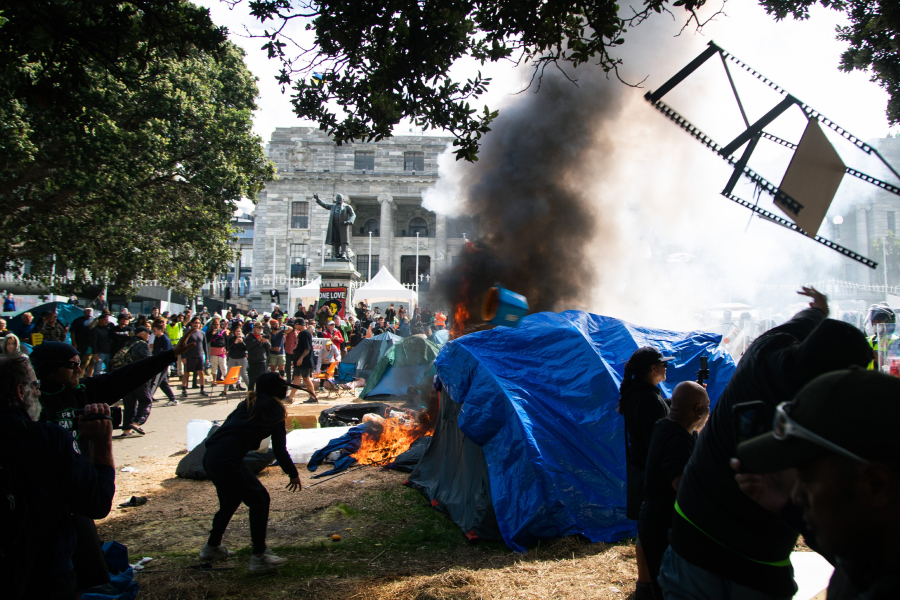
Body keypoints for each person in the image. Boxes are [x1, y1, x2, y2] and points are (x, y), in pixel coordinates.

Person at [659, 287, 873, 600]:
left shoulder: (765, 351)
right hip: (759, 554)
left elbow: (801, 326)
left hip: (694, 527)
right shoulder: (826, 417)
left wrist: (818, 310)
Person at [735, 368, 900, 600]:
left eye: (807, 479)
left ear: (876, 485)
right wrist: (789, 510)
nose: (797, 496)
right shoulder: (869, 554)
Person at [0, 354, 115, 598]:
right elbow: (97, 502)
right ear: (21, 392)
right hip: (45, 573)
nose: (39, 393)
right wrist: (102, 445)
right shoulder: (47, 438)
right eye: (35, 386)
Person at [199, 373, 301, 570]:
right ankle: (259, 556)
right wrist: (292, 473)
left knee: (230, 502)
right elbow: (279, 449)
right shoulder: (275, 411)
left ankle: (211, 547)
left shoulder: (248, 403)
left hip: (211, 455)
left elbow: (228, 425)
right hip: (227, 458)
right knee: (260, 499)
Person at [638, 382, 710, 598]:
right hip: (664, 530)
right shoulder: (677, 439)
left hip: (654, 523)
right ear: (698, 409)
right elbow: (682, 484)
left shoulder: (665, 425)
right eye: (707, 405)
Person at [619, 345, 675, 599]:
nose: (666, 367)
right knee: (657, 531)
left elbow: (657, 408)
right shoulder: (649, 399)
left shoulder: (637, 394)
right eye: (663, 364)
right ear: (653, 369)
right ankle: (655, 585)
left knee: (646, 528)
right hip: (654, 473)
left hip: (641, 469)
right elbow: (659, 437)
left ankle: (645, 584)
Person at [120, 327, 154, 437]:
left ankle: (126, 430)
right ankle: (136, 423)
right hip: (140, 377)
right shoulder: (143, 345)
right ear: (141, 333)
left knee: (129, 404)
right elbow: (149, 361)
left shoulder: (127, 343)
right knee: (145, 400)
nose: (149, 335)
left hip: (126, 377)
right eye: (147, 333)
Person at [288, 318, 317, 404]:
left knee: (306, 378)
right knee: (296, 377)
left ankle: (313, 396)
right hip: (299, 359)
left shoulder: (305, 334)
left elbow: (307, 348)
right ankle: (290, 397)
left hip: (304, 360)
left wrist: (301, 358)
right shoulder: (301, 334)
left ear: (300, 324)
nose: (295, 326)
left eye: (296, 324)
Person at [179, 317, 208, 397]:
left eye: (198, 323)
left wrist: (207, 357)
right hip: (189, 356)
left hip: (199, 355)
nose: (196, 324)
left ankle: (202, 389)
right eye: (195, 322)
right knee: (186, 373)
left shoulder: (202, 333)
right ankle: (184, 389)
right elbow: (183, 345)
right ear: (191, 323)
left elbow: (205, 346)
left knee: (201, 372)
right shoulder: (187, 333)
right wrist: (183, 357)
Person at [151, 321, 178, 405]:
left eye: (154, 330)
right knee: (162, 382)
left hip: (163, 363)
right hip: (157, 362)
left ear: (160, 330)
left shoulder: (165, 339)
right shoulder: (157, 338)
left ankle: (148, 397)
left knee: (156, 380)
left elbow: (166, 353)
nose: (153, 332)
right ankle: (172, 399)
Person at [70, 307, 94, 374]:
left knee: (92, 364)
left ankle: (89, 377)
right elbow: (72, 332)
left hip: (91, 345)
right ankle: (79, 376)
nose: (89, 312)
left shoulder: (94, 320)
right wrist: (73, 342)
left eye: (90, 311)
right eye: (87, 311)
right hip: (80, 343)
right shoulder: (78, 321)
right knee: (82, 363)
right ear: (84, 312)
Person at [207, 317, 228, 390]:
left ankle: (226, 380)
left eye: (217, 324)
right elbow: (207, 340)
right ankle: (214, 380)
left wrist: (227, 349)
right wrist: (212, 334)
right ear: (212, 325)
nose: (216, 326)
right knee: (214, 367)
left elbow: (226, 341)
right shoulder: (210, 332)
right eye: (215, 324)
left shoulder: (222, 331)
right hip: (214, 351)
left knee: (223, 367)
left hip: (221, 351)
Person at [226, 327, 250, 391]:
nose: (238, 333)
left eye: (239, 331)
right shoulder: (231, 339)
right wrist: (235, 343)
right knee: (229, 374)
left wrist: (242, 342)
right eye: (237, 331)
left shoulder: (244, 339)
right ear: (234, 332)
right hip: (233, 358)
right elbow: (230, 348)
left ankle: (250, 389)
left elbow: (246, 348)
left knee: (243, 374)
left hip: (242, 358)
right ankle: (225, 390)